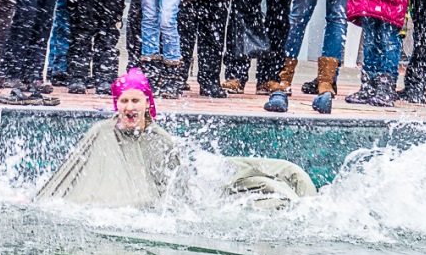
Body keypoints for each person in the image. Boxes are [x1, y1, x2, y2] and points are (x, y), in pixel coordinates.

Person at [36, 68, 317, 206]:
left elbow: (183, 184)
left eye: (135, 101)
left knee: (285, 173)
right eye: (123, 101)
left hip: (208, 171)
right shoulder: (101, 133)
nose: (129, 107)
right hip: (194, 186)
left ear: (147, 103)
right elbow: (70, 171)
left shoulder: (162, 139)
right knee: (274, 191)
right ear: (116, 104)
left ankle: (310, 203)